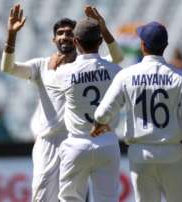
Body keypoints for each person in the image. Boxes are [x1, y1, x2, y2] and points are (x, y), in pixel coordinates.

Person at [0, 4, 123, 202]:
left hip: (77, 138)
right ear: (53, 39)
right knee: (41, 198)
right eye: (59, 33)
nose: (64, 36)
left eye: (69, 33)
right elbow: (8, 68)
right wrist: (11, 35)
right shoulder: (42, 65)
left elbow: (117, 58)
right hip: (49, 142)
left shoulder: (87, 66)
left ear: (77, 40)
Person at [92, 21, 182, 202]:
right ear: (165, 46)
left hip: (140, 154)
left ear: (142, 45)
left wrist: (98, 126)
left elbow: (102, 115)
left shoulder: (126, 75)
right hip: (172, 153)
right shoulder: (180, 76)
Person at [55, 6, 122, 202]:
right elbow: (118, 56)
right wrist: (103, 25)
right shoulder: (114, 70)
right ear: (100, 41)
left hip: (77, 143)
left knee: (70, 199)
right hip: (107, 142)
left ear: (75, 42)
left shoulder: (63, 72)